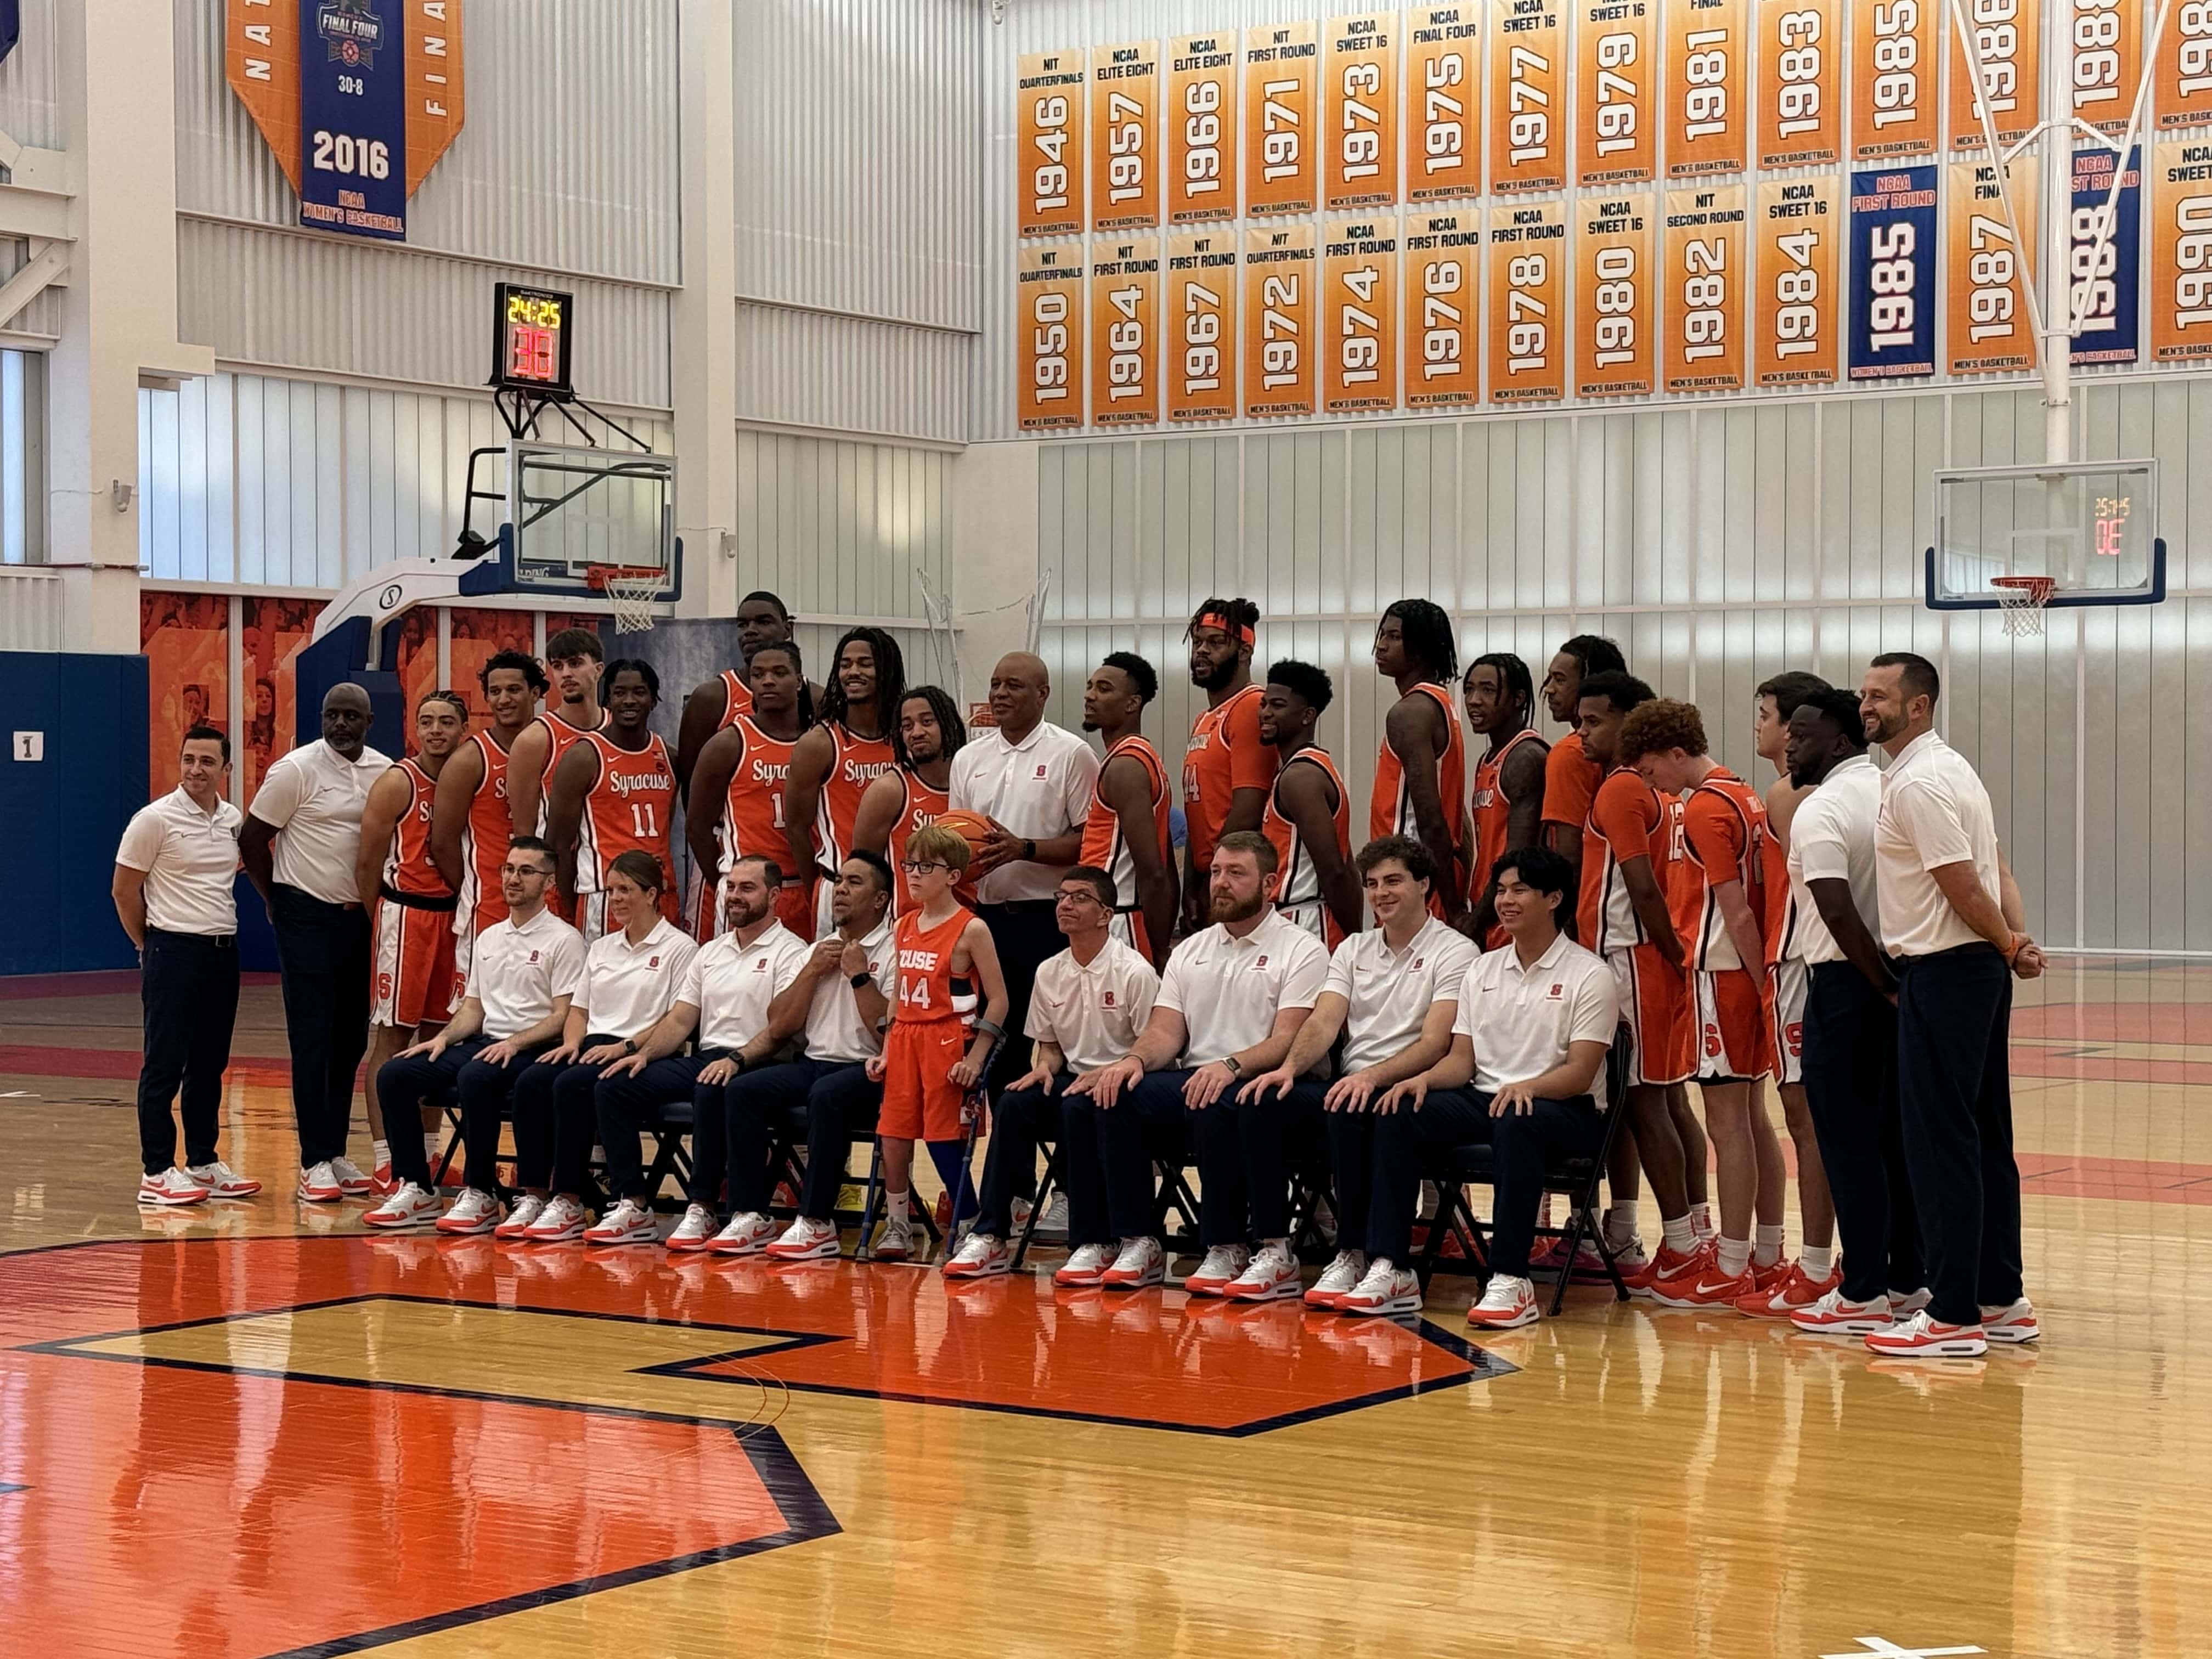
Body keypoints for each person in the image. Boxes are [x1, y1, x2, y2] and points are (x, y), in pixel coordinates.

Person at [1341, 846, 1620, 1326]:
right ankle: (1392, 1265)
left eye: (1520, 891)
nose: (1506, 901)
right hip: (1487, 1099)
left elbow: (1580, 1071)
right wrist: (1419, 1081)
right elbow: (1460, 1061)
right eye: (1502, 891)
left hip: (1564, 1110)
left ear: (1554, 899)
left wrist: (1528, 1087)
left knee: (1517, 1119)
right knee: (1398, 1109)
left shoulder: (1590, 975)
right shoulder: (1483, 970)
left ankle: (1511, 1278)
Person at [1861, 652, 2041, 1357]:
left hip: (1946, 970)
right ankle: (2002, 1297)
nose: (1866, 705)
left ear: (1919, 706)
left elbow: (1966, 881)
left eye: (1880, 696)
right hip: (1972, 969)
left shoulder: (1918, 784)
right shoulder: (1954, 771)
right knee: (1984, 1134)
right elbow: (1997, 871)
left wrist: (2003, 942)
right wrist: (2014, 942)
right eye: (1863, 694)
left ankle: (1955, 1315)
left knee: (1941, 1142)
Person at [1071, 831, 1329, 1294]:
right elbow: (1166, 1032)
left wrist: (1230, 1066)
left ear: (1269, 883)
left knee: (1215, 1099)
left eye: (1236, 873)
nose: (1221, 884)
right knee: (1116, 1094)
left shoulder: (1302, 949)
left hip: (1269, 1080)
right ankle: (1136, 1240)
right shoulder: (1191, 949)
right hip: (1203, 1078)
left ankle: (1232, 1246)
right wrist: (1133, 1060)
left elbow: (1290, 1039)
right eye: (1215, 872)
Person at [1240, 836, 1475, 1308]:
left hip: (1413, 1086)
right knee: (1261, 1097)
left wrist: (1372, 1077)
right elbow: (1324, 1020)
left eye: (1393, 881)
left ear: (1424, 885)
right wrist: (1288, 1069)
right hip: (1353, 1084)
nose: (1380, 894)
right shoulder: (1352, 950)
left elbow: (1435, 1043)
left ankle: (1369, 1256)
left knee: (1358, 1106)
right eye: (1371, 884)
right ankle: (1275, 1250)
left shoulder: (1457, 951)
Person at [1620, 698, 1788, 1308]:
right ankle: (1766, 1255)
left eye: (1649, 770)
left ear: (1676, 753)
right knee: (1753, 1119)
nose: (1649, 784)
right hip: (1739, 976)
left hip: (1723, 976)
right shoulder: (1743, 792)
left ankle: (1733, 1262)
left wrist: (1759, 981)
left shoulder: (1703, 809)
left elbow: (1736, 906)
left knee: (1727, 1125)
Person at [1781, 688, 1928, 1335]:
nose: (1789, 743)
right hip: (1898, 975)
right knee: (1895, 1141)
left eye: (1803, 734)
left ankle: (1863, 1287)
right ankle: (1905, 1280)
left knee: (1847, 1142)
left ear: (1840, 741)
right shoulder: (1891, 790)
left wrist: (1878, 984)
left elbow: (1836, 908)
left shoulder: (1822, 809)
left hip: (1849, 986)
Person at [941, 865, 1160, 1282]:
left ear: (1105, 914)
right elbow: (1052, 1043)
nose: (1065, 905)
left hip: (1127, 1086)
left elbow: (1153, 1048)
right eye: (1060, 897)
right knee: (1015, 1102)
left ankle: (1093, 1241)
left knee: (1080, 1104)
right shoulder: (1049, 971)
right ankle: (991, 1234)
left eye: (1079, 898)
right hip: (1073, 1080)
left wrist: (1110, 1073)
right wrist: (1044, 1068)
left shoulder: (1134, 972)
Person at [583, 854, 812, 1248]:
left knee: (714, 1087)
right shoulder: (712, 951)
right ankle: (633, 1204)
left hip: (761, 1061)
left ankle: (713, 1208)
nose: (735, 896)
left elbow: (781, 1032)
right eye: (731, 887)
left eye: (747, 888)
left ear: (775, 896)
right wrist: (645, 1054)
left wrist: (736, 1059)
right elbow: (680, 1020)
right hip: (710, 1056)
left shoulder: (791, 952)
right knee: (614, 1084)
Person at [362, 836, 585, 1232]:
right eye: (510, 869)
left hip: (534, 1047)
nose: (515, 879)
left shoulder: (564, 940)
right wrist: (444, 1039)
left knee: (476, 1076)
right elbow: (473, 1009)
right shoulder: (489, 937)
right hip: (487, 1043)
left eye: (527, 872)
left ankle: (481, 1192)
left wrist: (515, 1043)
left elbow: (562, 1015)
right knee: (395, 1074)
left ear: (549, 884)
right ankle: (416, 1185)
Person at [241, 682, 391, 1202]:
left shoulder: (384, 771)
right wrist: (275, 899)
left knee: (349, 1039)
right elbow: (252, 839)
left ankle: (334, 1151)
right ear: (321, 719)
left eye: (352, 716)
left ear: (369, 722)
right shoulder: (296, 770)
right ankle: (311, 1163)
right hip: (305, 916)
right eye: (332, 716)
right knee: (311, 1039)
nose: (341, 725)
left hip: (360, 921)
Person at [501, 850, 699, 1243]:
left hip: (644, 1049)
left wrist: (626, 1047)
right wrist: (571, 1044)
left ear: (652, 894)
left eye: (626, 890)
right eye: (612, 891)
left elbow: (675, 1019)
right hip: (591, 1046)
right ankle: (535, 1194)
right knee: (531, 1080)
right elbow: (579, 1009)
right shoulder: (603, 947)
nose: (617, 899)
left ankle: (577, 1200)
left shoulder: (680, 948)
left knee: (573, 1085)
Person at [1575, 671, 1697, 1280]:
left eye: (1594, 720)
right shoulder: (1655, 791)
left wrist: (1673, 955)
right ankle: (1673, 1233)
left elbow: (1642, 886)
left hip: (1629, 956)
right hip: (1645, 958)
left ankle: (1678, 1241)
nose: (1582, 732)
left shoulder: (1623, 788)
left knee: (1646, 1102)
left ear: (1629, 719)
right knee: (1657, 1101)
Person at [716, 852, 895, 1259]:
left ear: (881, 900)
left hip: (872, 1069)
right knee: (743, 1091)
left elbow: (889, 1031)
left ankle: (817, 1222)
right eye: (839, 882)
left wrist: (859, 975)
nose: (842, 890)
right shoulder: (816, 950)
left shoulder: (896, 948)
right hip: (815, 1063)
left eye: (854, 882)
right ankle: (750, 1213)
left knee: (827, 1095)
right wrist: (811, 972)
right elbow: (780, 1024)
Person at [113, 724, 256, 1205]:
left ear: (226, 769)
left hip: (222, 954)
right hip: (172, 951)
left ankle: (203, 1161)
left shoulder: (233, 820)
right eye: (189, 759)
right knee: (164, 1065)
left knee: (209, 1065)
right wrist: (149, 946)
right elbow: (123, 891)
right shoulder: (154, 820)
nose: (196, 769)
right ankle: (156, 1171)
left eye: (207, 762)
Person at [948, 652, 1101, 1090]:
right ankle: (1004, 1150)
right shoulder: (968, 757)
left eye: (1013, 685)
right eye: (996, 684)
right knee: (997, 1040)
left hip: (1049, 919)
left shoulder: (1072, 753)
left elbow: (1089, 841)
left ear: (1043, 694)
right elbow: (957, 840)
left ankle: (1068, 1151)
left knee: (1062, 1041)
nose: (999, 693)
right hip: (987, 920)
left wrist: (1024, 849)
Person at [862, 823, 1010, 1260]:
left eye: (927, 866)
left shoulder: (972, 929)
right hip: (906, 1038)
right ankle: (898, 1225)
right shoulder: (904, 924)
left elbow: (999, 1000)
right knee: (893, 1134)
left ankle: (968, 1223)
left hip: (948, 1040)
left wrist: (977, 1057)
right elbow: (896, 1000)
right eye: (910, 864)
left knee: (944, 1137)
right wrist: (886, 1050)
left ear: (953, 876)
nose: (914, 873)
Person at [1744, 669, 1839, 1314]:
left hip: (1799, 962)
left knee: (1808, 1120)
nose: (1759, 725)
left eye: (1766, 714)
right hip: (1812, 963)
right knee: (1819, 1120)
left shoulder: (1789, 796)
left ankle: (1813, 1265)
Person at [357, 690, 468, 1187]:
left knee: (440, 1040)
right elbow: (366, 864)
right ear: (415, 729)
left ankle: (426, 1155)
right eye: (427, 722)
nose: (436, 730)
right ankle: (386, 1158)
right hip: (407, 917)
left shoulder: (469, 779)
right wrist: (381, 920)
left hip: (454, 919)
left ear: (464, 728)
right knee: (392, 1038)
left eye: (447, 721)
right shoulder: (399, 781)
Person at [432, 651, 548, 1019]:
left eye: (514, 689)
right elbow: (443, 841)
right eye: (495, 691)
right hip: (491, 910)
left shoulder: (557, 745)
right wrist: (476, 887)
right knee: (479, 1017)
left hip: (549, 904)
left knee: (543, 1010)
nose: (504, 699)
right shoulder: (471, 759)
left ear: (536, 693)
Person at [687, 641, 816, 940]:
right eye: (758, 675)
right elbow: (697, 826)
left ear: (799, 682)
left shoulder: (817, 742)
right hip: (750, 890)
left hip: (804, 885)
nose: (768, 681)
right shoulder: (730, 743)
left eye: (779, 673)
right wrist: (729, 883)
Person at [545, 659, 678, 943]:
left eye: (639, 692)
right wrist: (574, 905)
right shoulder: (584, 756)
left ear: (654, 700)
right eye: (620, 693)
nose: (629, 701)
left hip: (660, 893)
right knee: (607, 984)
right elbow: (558, 843)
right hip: (606, 898)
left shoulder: (668, 755)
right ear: (608, 700)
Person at [785, 627, 902, 938]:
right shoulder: (820, 742)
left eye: (865, 664)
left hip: (901, 892)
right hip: (842, 885)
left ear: (887, 670)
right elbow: (797, 827)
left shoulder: (906, 738)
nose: (853, 672)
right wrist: (824, 891)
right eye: (845, 664)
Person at [1370, 599, 1469, 924]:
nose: (1381, 646)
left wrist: (1454, 907)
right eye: (1382, 635)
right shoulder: (1441, 703)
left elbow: (1430, 817)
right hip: (1425, 877)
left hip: (1412, 881)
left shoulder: (1411, 712)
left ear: (1423, 647)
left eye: (1395, 637)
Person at [1180, 597, 1275, 934]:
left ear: (1245, 652)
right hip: (1213, 875)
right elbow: (1198, 813)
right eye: (1198, 642)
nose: (1202, 651)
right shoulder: (1203, 719)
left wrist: (1215, 878)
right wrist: (1190, 884)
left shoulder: (1250, 707)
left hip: (1238, 879)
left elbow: (1247, 809)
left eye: (1216, 643)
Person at [1078, 652, 1177, 966]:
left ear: (1133, 704)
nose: (1090, 695)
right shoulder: (1134, 756)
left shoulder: (1126, 765)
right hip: (1113, 915)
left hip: (1118, 919)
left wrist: (1161, 948)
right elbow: (1165, 862)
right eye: (1090, 686)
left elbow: (1152, 870)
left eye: (1104, 689)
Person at [673, 589, 821, 792]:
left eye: (763, 622)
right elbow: (692, 784)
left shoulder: (817, 698)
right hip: (736, 823)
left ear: (787, 629)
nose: (750, 630)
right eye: (743, 624)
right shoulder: (712, 697)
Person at [1257, 659, 1358, 945]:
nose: (1265, 713)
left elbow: (1335, 870)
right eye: (1263, 704)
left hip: (1307, 919)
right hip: (1295, 917)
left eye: (1277, 705)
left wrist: (1354, 939)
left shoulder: (1301, 776)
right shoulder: (1299, 769)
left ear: (1307, 716)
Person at [853, 685, 966, 917]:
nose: (916, 733)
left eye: (927, 722)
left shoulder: (973, 781)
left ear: (949, 724)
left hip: (968, 919)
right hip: (909, 925)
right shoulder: (890, 789)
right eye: (907, 726)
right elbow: (864, 869)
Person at [1538, 635, 1627, 917]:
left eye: (1561, 680)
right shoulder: (1626, 754)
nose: (1550, 690)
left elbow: (1569, 858)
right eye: (1550, 679)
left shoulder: (1569, 754)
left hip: (1591, 912)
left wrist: (1565, 927)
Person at [1465, 652, 1550, 945]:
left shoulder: (1525, 756)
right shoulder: (1487, 759)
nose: (1474, 700)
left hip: (1513, 915)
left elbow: (1518, 857)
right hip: (1491, 909)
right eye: (1469, 689)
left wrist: (1474, 923)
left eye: (1488, 690)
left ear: (1518, 698)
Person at [506, 627, 607, 838]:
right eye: (558, 666)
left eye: (575, 663)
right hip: (558, 863)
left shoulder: (616, 729)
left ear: (598, 670)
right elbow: (524, 831)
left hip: (609, 862)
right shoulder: (535, 739)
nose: (566, 673)